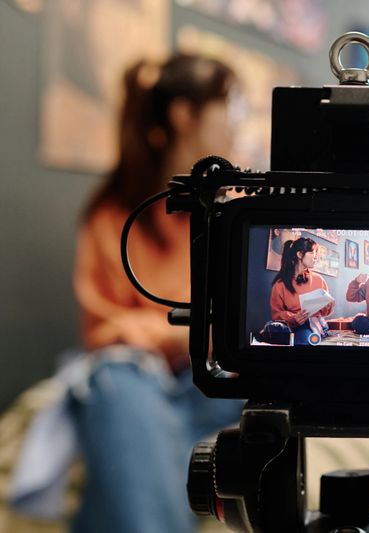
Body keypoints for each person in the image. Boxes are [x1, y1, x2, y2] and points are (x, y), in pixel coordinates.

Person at [71, 53, 245, 533]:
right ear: (184, 115)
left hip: (208, 386)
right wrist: (180, 336)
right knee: (114, 384)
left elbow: (247, 330)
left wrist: (159, 333)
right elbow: (103, 332)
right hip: (136, 381)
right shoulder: (112, 216)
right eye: (228, 110)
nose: (236, 126)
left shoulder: (238, 214)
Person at [269, 237, 334, 345]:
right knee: (274, 330)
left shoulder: (319, 280)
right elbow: (276, 314)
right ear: (300, 255)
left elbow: (325, 312)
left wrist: (328, 305)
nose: (316, 257)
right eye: (313, 252)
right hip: (289, 326)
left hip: (312, 325)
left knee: (304, 337)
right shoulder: (280, 284)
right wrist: (293, 318)